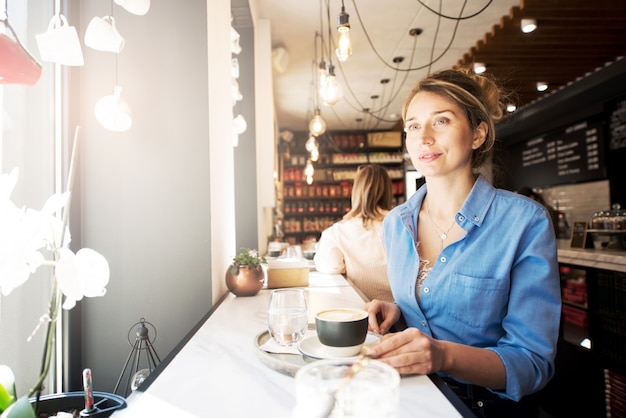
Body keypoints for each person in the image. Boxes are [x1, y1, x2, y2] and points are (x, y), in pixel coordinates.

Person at [364, 68, 561, 417]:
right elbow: (436, 300)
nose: (423, 137)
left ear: (477, 134)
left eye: (440, 121)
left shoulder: (524, 222)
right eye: (412, 125)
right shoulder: (396, 223)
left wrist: (444, 356)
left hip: (485, 407)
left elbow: (532, 364)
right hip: (410, 398)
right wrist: (400, 311)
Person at [314, 164, 394, 302]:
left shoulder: (338, 232)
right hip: (405, 315)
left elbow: (328, 266)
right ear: (388, 191)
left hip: (362, 314)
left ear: (356, 192)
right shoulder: (403, 224)